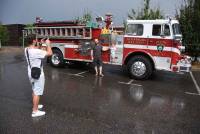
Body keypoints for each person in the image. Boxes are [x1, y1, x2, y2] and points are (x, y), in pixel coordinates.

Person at [24, 34, 52, 117]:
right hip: (38, 74)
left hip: (31, 72)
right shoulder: (36, 51)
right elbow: (50, 53)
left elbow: (38, 50)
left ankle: (35, 105)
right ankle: (35, 111)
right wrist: (48, 44)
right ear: (33, 41)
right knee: (37, 92)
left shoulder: (27, 49)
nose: (37, 40)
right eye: (36, 39)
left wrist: (42, 43)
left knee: (34, 89)